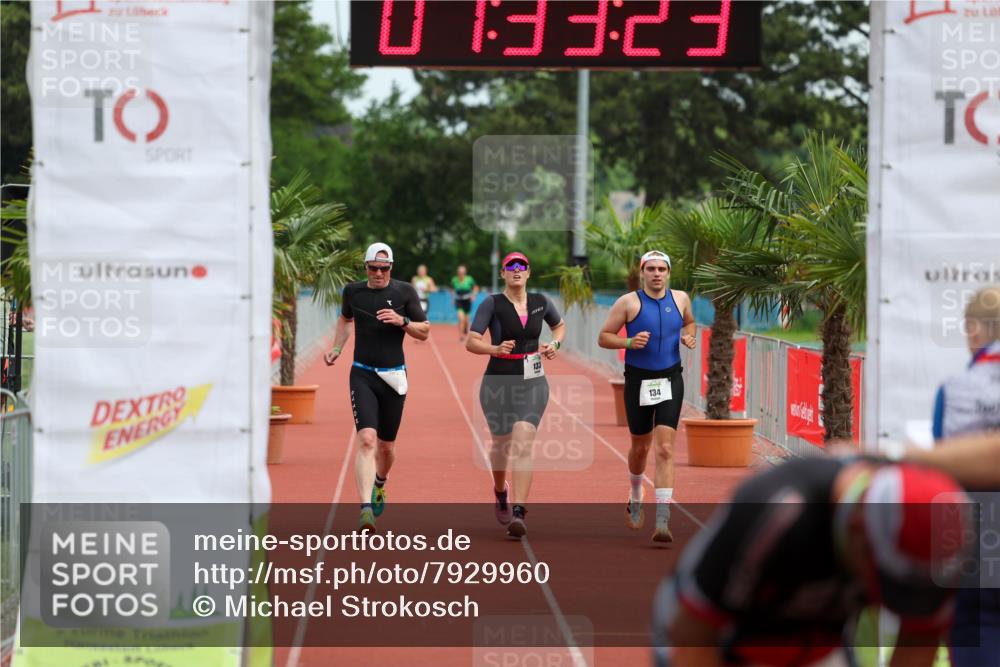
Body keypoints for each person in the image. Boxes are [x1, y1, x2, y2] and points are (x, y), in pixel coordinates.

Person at [652, 454, 974, 667]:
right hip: (715, 633)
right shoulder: (778, 513)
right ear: (859, 529)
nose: (893, 597)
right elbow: (694, 641)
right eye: (888, 583)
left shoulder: (933, 539)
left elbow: (918, 642)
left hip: (817, 642)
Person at [324, 243, 430, 532]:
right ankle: (365, 509)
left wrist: (402, 321)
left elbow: (424, 331)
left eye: (384, 269)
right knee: (367, 440)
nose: (379, 273)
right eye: (374, 268)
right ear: (366, 267)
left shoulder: (404, 292)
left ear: (391, 268)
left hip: (394, 376)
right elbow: (346, 320)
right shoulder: (353, 292)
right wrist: (336, 347)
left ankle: (380, 483)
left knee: (387, 446)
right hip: (362, 373)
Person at [465, 252, 565, 538]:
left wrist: (555, 344)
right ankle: (500, 491)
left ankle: (519, 512)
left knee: (522, 440)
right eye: (511, 266)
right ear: (503, 273)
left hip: (533, 382)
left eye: (522, 266)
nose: (517, 270)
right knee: (501, 445)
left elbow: (559, 325)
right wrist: (493, 349)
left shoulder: (541, 302)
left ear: (529, 272)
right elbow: (472, 341)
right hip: (497, 381)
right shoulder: (492, 303)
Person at [598, 250, 696, 543]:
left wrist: (688, 335)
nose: (656, 273)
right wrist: (628, 341)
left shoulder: (681, 299)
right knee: (640, 448)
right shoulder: (628, 302)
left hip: (670, 378)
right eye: (651, 269)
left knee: (665, 448)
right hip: (638, 379)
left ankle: (663, 519)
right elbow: (603, 336)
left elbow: (689, 322)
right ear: (642, 273)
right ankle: (636, 490)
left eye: (661, 269)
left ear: (668, 273)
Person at [930, 286, 1000, 667]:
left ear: (975, 329)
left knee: (977, 629)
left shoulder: (954, 391)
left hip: (976, 535)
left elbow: (944, 466)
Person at [452, 264, 479, 341]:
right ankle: (461, 336)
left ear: (465, 273)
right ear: (458, 273)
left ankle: (465, 329)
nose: (461, 274)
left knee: (467, 320)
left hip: (467, 301)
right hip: (459, 300)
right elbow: (452, 289)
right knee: (461, 319)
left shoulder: (469, 279)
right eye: (459, 272)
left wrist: (473, 295)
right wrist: (453, 298)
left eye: (462, 272)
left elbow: (476, 287)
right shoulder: (454, 280)